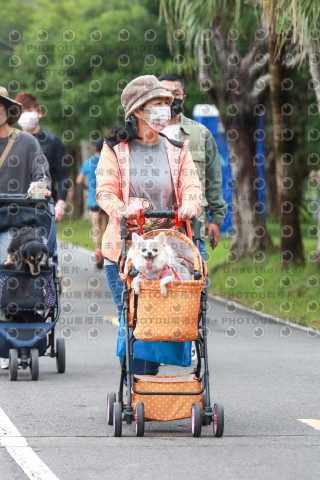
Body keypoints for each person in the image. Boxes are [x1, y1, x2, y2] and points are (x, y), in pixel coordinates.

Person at [95, 75, 202, 375]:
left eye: (167, 104)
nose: (165, 111)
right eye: (158, 104)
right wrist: (123, 209)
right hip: (124, 249)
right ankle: (136, 383)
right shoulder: (114, 150)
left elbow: (191, 184)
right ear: (138, 111)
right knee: (131, 316)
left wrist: (190, 204)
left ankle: (147, 379)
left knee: (163, 315)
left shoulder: (178, 149)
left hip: (167, 247)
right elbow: (105, 191)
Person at [0, 86, 51, 369]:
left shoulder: (27, 143)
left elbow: (41, 175)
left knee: (8, 263)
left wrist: (42, 188)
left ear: (9, 111)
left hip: (17, 224)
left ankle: (12, 339)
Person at [158, 73, 227, 262]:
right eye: (164, 93)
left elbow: (213, 179)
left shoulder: (200, 133)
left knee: (196, 284)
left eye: (176, 93)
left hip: (193, 226)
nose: (170, 98)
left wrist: (216, 221)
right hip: (151, 227)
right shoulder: (143, 132)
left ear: (183, 97)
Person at [15, 92, 69, 222]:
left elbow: (63, 176)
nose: (25, 115)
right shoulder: (11, 142)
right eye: (21, 112)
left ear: (39, 112)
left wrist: (61, 203)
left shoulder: (53, 141)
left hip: (44, 204)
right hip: (14, 204)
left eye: (29, 110)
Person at [76, 139, 108, 269]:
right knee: (107, 226)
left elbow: (79, 180)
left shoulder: (89, 162)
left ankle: (97, 250)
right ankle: (106, 251)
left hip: (93, 200)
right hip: (106, 200)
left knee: (96, 228)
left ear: (95, 149)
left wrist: (87, 188)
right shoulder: (108, 162)